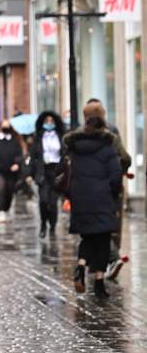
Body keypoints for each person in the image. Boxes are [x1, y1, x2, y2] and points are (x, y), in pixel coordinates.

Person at [64, 107, 122, 298]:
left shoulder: (75, 147)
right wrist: (113, 194)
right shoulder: (108, 148)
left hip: (81, 198)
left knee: (87, 237)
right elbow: (115, 177)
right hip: (102, 198)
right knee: (102, 239)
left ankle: (81, 266)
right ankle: (98, 282)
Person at [83, 99, 131, 280]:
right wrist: (118, 172)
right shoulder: (111, 135)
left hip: (89, 189)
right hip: (111, 186)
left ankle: (106, 259)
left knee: (95, 225)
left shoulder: (79, 136)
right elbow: (125, 158)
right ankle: (109, 258)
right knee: (112, 223)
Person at [29, 111, 64, 239]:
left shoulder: (60, 136)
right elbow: (32, 156)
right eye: (46, 121)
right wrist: (30, 174)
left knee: (53, 203)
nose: (49, 124)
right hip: (42, 171)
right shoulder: (38, 137)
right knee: (43, 200)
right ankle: (43, 224)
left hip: (56, 171)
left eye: (51, 121)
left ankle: (53, 226)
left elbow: (64, 154)